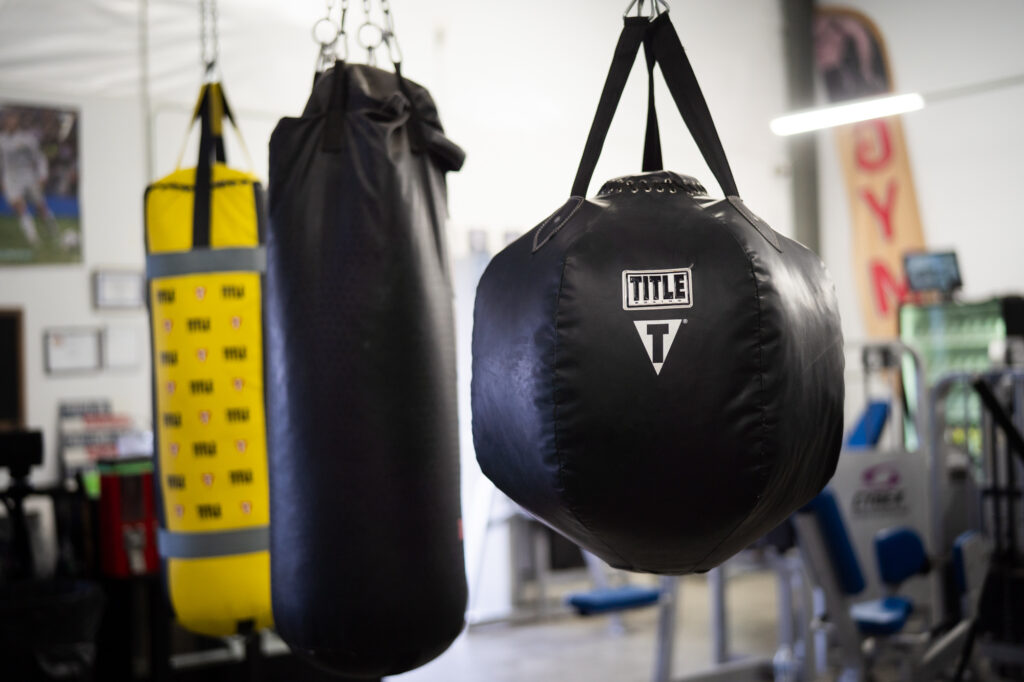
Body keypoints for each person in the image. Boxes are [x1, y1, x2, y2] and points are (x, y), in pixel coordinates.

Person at [0, 111, 59, 246]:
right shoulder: (1, 140)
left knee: (40, 207)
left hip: (28, 176)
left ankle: (54, 232)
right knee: (19, 207)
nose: (10, 122)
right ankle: (34, 239)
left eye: (12, 119)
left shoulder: (28, 139)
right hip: (10, 178)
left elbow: (40, 158)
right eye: (7, 119)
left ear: (17, 122)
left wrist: (43, 175)